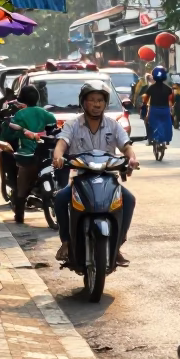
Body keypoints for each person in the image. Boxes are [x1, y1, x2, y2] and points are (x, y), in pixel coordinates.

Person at [51, 79, 139, 266]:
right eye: (92, 99)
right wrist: (58, 156)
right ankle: (66, 242)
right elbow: (62, 143)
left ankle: (117, 245)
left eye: (100, 100)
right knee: (60, 199)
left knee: (129, 200)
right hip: (81, 178)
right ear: (84, 102)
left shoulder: (113, 125)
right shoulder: (72, 124)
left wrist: (131, 158)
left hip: (108, 178)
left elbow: (126, 145)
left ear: (105, 103)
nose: (97, 104)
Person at [9, 84, 58, 224]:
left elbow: (10, 134)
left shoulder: (19, 115)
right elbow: (53, 128)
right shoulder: (47, 114)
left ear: (22, 99)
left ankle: (19, 215)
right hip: (46, 153)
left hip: (28, 154)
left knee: (22, 186)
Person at [145, 66, 174, 146]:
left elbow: (145, 99)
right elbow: (171, 100)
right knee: (168, 123)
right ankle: (167, 139)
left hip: (153, 110)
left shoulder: (151, 88)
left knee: (148, 122)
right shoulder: (168, 89)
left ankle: (150, 139)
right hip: (165, 110)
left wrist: (143, 106)